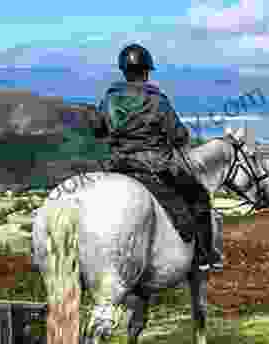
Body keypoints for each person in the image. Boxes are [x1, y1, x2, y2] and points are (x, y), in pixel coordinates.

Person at [91, 43, 223, 272]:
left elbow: (98, 130)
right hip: (155, 166)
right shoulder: (157, 100)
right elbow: (179, 135)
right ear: (146, 71)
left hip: (118, 166)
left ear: (123, 70)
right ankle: (204, 256)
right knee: (200, 197)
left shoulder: (109, 99)